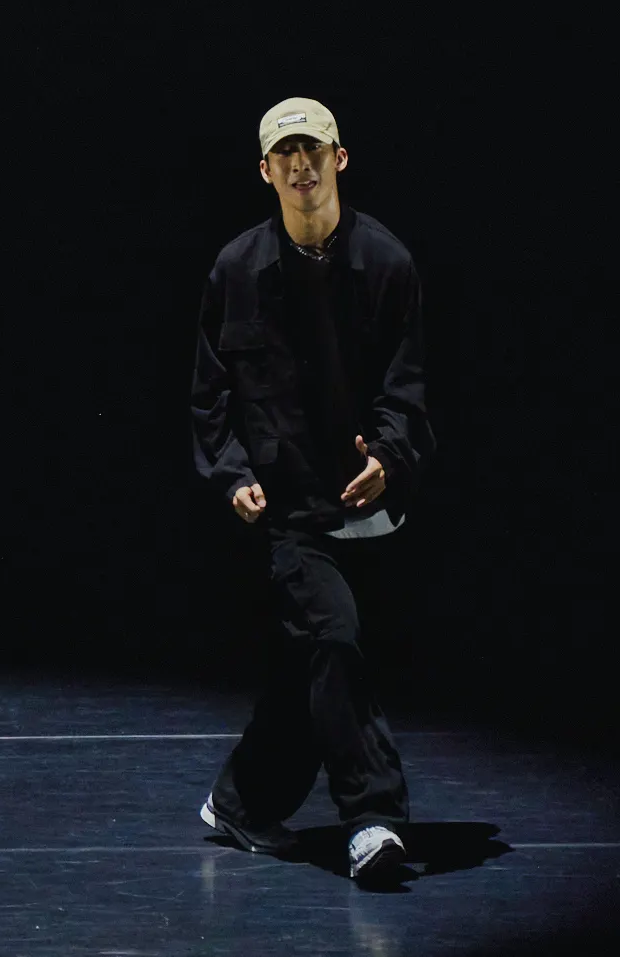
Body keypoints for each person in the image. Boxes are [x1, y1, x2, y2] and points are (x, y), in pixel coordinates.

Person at [190, 98, 433, 885]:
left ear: (340, 158)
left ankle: (239, 799)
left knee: (318, 669)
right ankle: (374, 818)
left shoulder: (387, 263)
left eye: (314, 149)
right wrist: (233, 473)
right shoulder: (236, 270)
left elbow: (407, 387)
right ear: (265, 170)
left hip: (367, 505)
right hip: (290, 511)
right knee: (334, 638)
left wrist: (389, 454)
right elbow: (210, 395)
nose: (301, 165)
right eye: (285, 153)